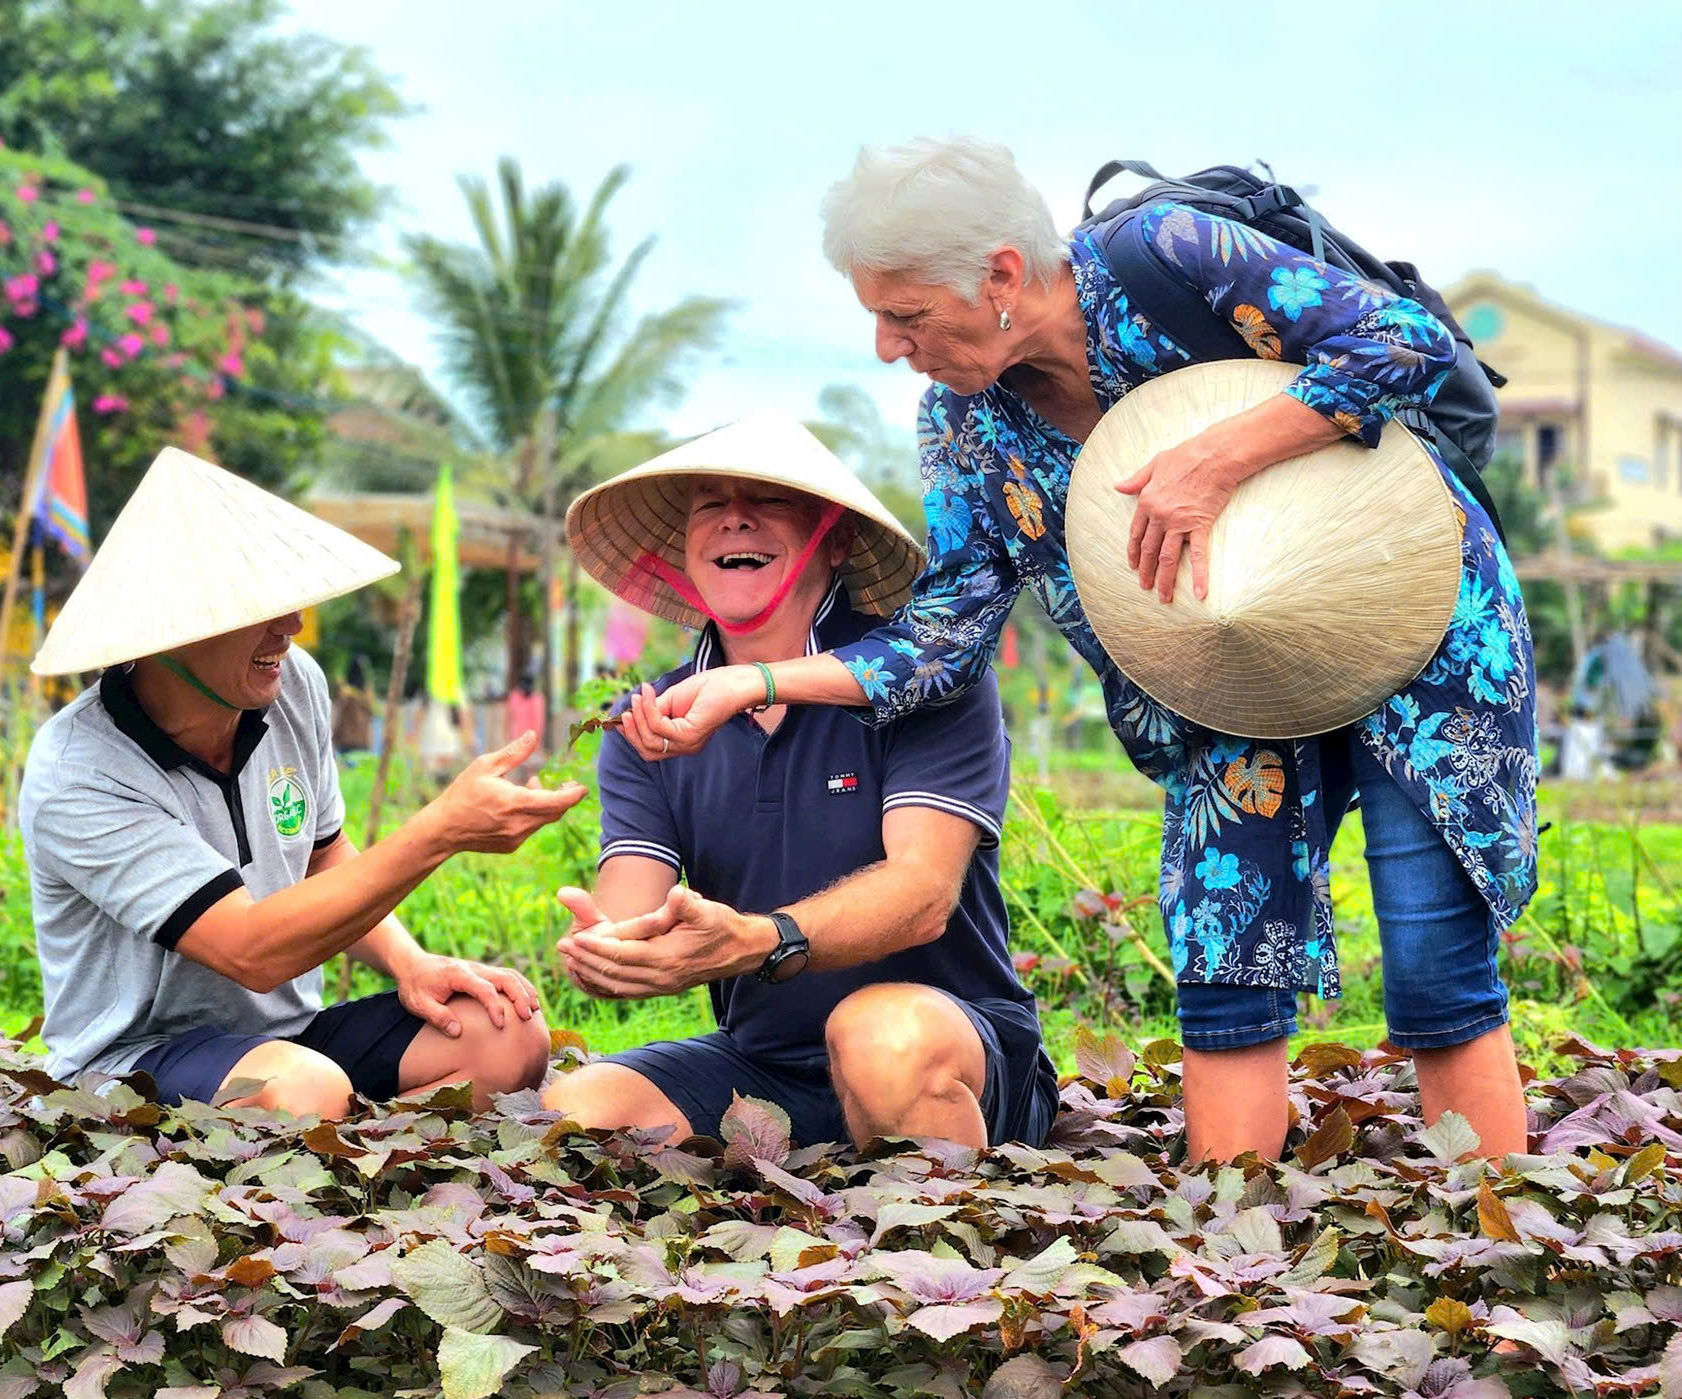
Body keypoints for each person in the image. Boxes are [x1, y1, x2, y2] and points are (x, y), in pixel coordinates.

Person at [624, 140, 1539, 1164]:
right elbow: (943, 638)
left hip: (1406, 609)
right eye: (875, 317)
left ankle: (1497, 1241)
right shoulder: (967, 425)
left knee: (1430, 944)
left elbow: (1401, 343)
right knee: (1223, 943)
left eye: (908, 315)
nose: (887, 345)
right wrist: (749, 682)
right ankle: (1232, 1236)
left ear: (1003, 275)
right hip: (1224, 672)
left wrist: (1213, 457)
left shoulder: (1165, 253)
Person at [19, 447, 585, 1119]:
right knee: (303, 1090)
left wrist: (411, 962)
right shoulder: (78, 772)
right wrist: (439, 831)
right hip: (133, 1059)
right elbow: (249, 950)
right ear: (168, 632)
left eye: (287, 601)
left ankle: (349, 1148)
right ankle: (337, 1134)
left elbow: (322, 857)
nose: (289, 626)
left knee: (507, 1034)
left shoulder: (292, 688)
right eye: (257, 608)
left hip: (289, 1038)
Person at [542, 415, 1058, 1151]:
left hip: (946, 1042)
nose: (735, 518)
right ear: (685, 551)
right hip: (767, 1063)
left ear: (836, 540)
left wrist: (762, 939)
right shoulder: (648, 722)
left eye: (769, 500)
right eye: (710, 503)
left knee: (878, 1037)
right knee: (576, 1111)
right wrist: (612, 951)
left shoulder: (928, 681)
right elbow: (630, 908)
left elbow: (923, 898)